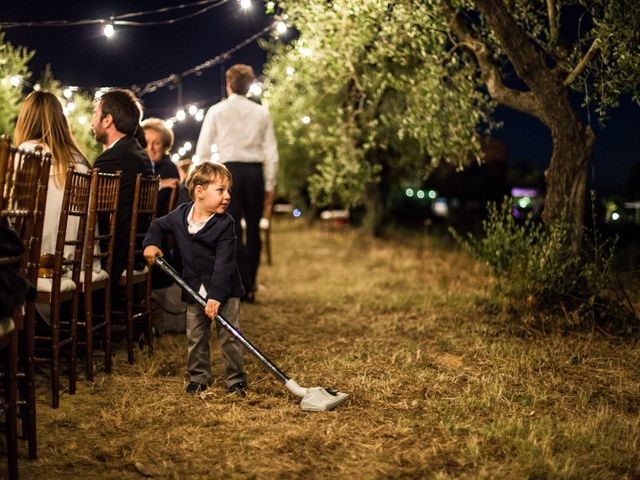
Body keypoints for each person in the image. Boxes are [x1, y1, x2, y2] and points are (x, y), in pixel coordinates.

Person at [142, 162, 246, 396]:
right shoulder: (180, 215)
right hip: (193, 288)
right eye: (221, 190)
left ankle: (235, 379)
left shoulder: (225, 224)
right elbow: (158, 226)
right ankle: (199, 375)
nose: (227, 196)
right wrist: (151, 243)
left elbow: (224, 263)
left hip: (224, 291)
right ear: (199, 191)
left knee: (230, 336)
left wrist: (216, 297)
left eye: (229, 190)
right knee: (196, 335)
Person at [195, 64, 279, 303]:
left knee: (230, 230)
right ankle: (250, 285)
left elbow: (202, 152)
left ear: (228, 84)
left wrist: (203, 183)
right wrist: (270, 185)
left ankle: (236, 284)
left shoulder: (216, 111)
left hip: (227, 173)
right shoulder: (261, 112)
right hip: (254, 173)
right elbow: (271, 152)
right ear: (250, 85)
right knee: (253, 230)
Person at [13, 91, 90, 262]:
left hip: (37, 261)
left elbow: (10, 207)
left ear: (26, 120)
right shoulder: (80, 158)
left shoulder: (28, 152)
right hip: (80, 262)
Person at [92, 89, 152, 290]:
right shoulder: (139, 154)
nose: (92, 122)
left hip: (114, 256)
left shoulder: (113, 158)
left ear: (107, 120)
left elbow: (92, 211)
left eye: (95, 114)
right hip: (136, 252)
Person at [141, 117, 179, 216]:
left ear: (165, 146)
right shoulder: (141, 166)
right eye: (146, 142)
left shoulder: (169, 169)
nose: (150, 148)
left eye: (157, 143)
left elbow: (154, 207)